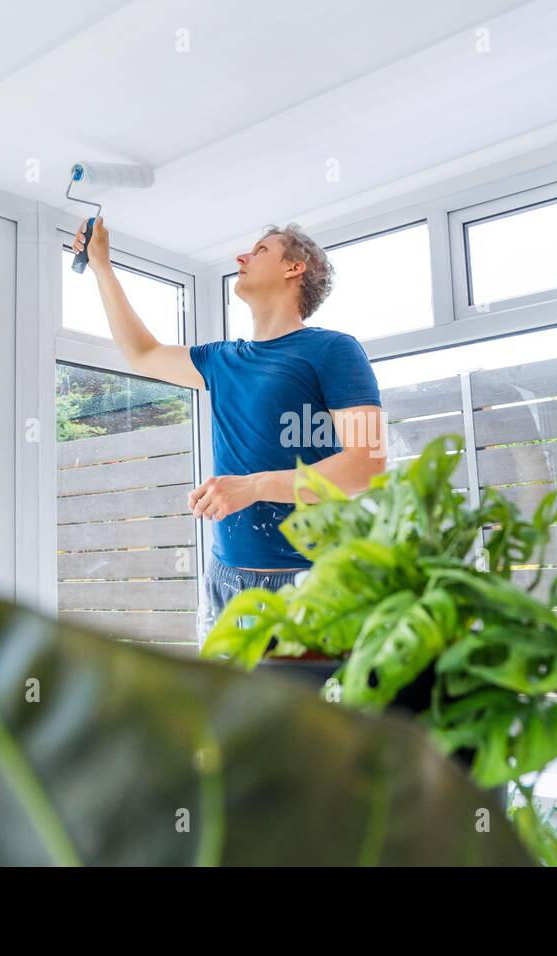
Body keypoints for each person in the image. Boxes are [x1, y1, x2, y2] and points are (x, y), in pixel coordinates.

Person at [72, 217, 386, 665]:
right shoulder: (222, 359)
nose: (241, 257)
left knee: (306, 732)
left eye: (260, 250)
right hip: (225, 583)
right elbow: (141, 352)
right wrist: (102, 266)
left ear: (295, 267)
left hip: (307, 585)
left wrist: (253, 486)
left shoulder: (333, 350)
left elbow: (368, 465)